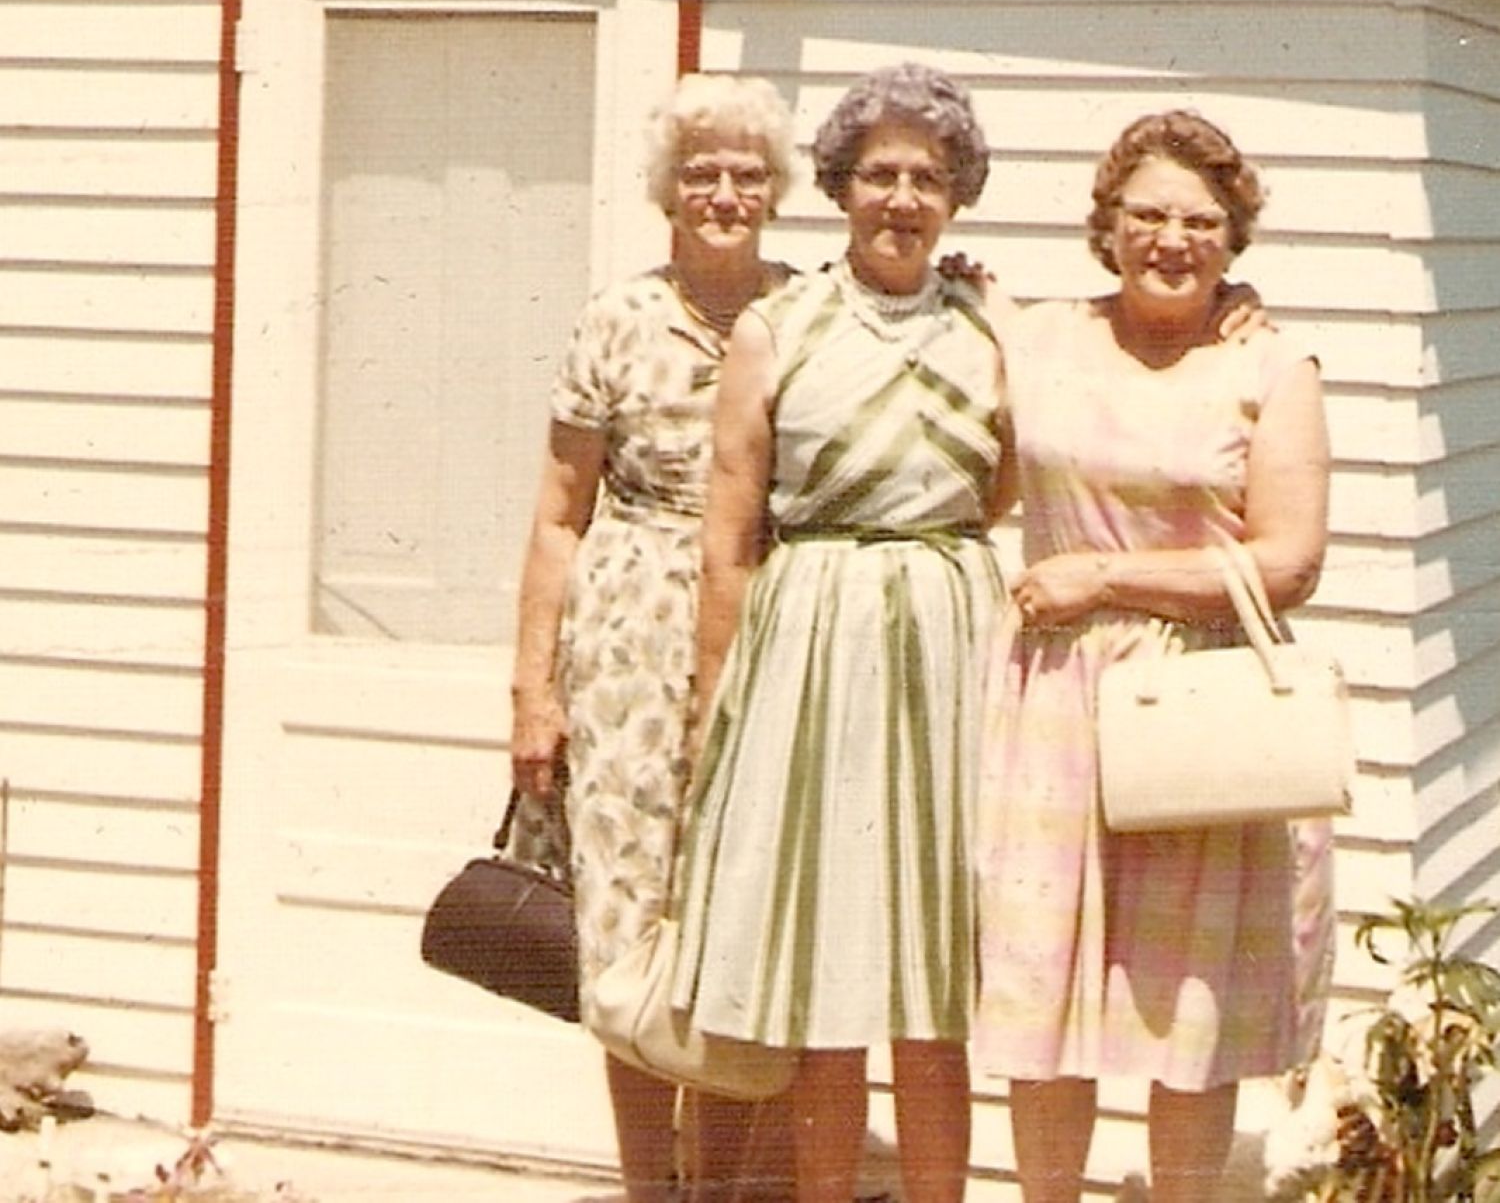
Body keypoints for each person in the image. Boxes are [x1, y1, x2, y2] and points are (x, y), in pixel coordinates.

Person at [973, 110, 1335, 1203]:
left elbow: (1288, 562)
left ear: (1234, 238)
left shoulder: (1270, 364)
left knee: (1189, 1006)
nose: (1171, 240)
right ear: (1108, 225)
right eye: (1147, 215)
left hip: (1200, 709)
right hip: (1053, 701)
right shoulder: (1035, 336)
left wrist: (1105, 577)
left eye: (1199, 220)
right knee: (1046, 990)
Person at [670, 64, 1007, 1203]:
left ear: (957, 192)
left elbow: (1010, 485)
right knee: (830, 975)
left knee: (936, 979)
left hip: (953, 647)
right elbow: (728, 532)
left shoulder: (993, 324)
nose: (901, 200)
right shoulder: (778, 327)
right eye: (878, 176)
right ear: (839, 188)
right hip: (812, 652)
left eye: (926, 177)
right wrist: (717, 702)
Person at [508, 72, 799, 1203]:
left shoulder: (808, 311)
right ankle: (648, 1189)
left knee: (731, 923)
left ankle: (718, 1190)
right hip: (628, 643)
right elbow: (556, 514)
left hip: (765, 636)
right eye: (700, 172)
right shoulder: (616, 318)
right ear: (666, 190)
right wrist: (534, 690)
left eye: (745, 172)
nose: (723, 191)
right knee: (627, 929)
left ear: (774, 190)